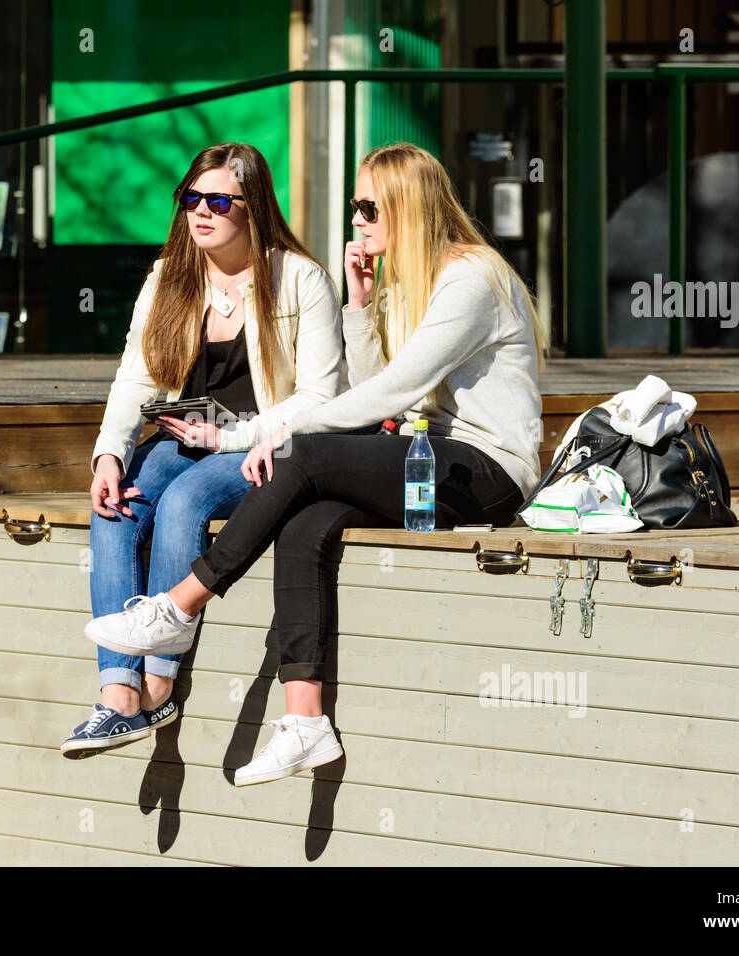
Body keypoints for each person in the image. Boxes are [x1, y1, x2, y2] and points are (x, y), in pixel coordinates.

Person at [84, 142, 549, 785]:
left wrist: (240, 437)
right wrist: (360, 304)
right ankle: (306, 722)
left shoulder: (470, 277)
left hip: (487, 469)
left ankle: (181, 604)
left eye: (367, 208)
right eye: (355, 207)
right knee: (306, 524)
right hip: (425, 455)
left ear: (406, 209)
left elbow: (385, 396)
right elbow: (372, 388)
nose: (355, 220)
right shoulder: (411, 278)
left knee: (301, 456)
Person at [63, 143, 344, 757]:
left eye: (219, 200)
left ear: (255, 208)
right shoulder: (170, 276)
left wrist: (235, 436)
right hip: (182, 434)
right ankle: (118, 696)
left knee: (185, 501)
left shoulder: (300, 278)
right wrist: (108, 455)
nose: (201, 211)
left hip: (258, 445)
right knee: (116, 503)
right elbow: (135, 378)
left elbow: (323, 393)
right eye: (191, 198)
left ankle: (159, 684)